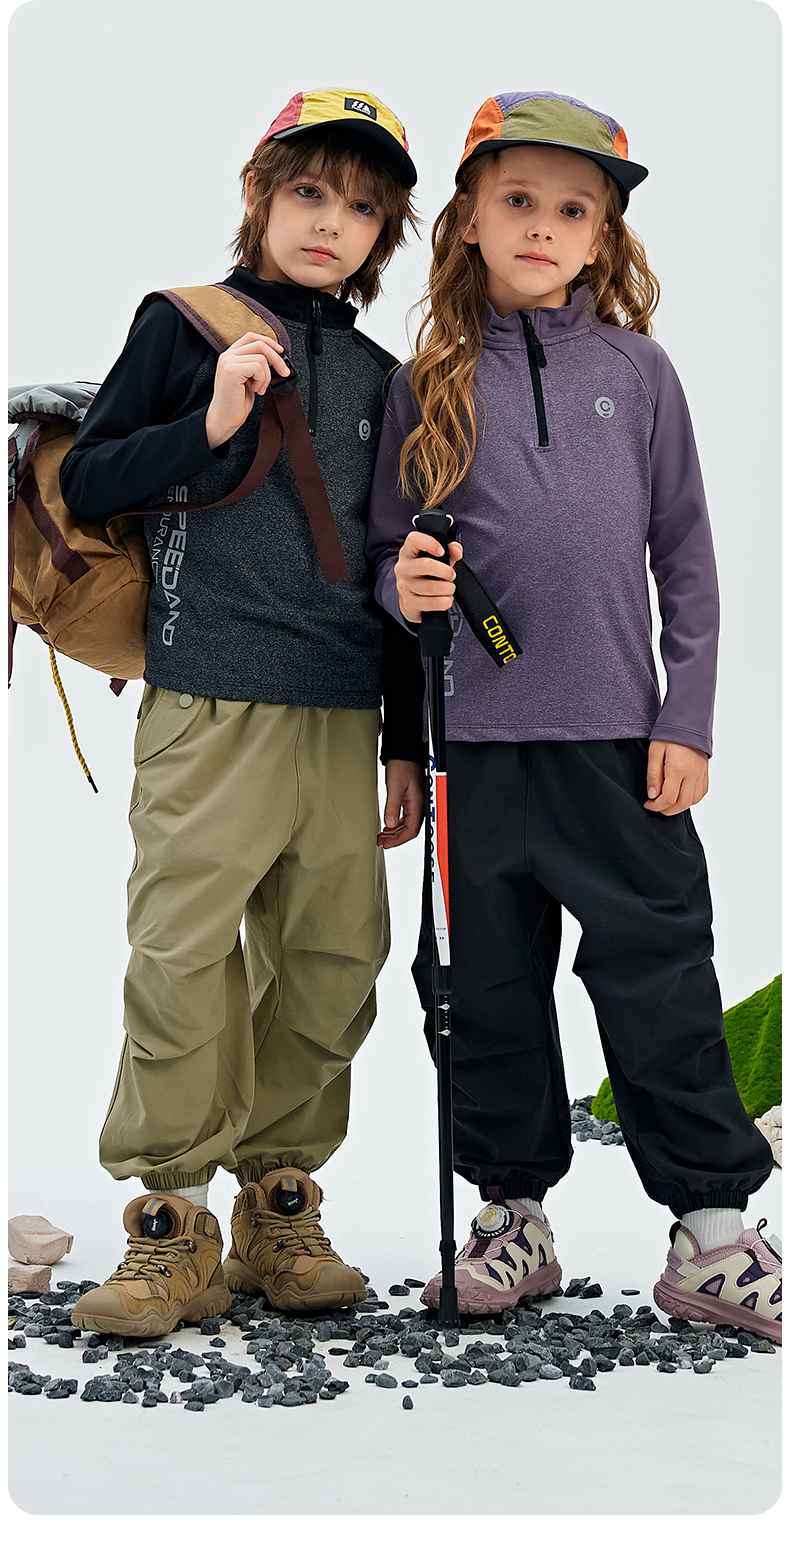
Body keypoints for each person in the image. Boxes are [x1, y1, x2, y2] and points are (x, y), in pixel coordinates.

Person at [366, 91, 781, 1339]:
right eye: (517, 202)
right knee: (479, 989)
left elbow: (686, 557)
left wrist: (685, 718)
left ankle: (711, 1231)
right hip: (470, 755)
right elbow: (389, 566)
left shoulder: (639, 374)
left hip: (615, 744)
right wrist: (403, 618)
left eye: (570, 209)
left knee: (659, 978)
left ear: (602, 236)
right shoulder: (426, 383)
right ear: (469, 220)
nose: (541, 226)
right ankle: (512, 1216)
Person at [59, 88, 426, 1335]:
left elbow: (395, 568)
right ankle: (169, 1224)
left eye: (361, 209)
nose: (331, 223)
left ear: (383, 236)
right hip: (207, 702)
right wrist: (210, 417)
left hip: (341, 713)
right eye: (309, 192)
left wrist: (406, 746)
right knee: (182, 958)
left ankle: (279, 1204)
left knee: (332, 963)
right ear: (261, 196)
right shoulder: (182, 325)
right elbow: (94, 478)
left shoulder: (383, 377)